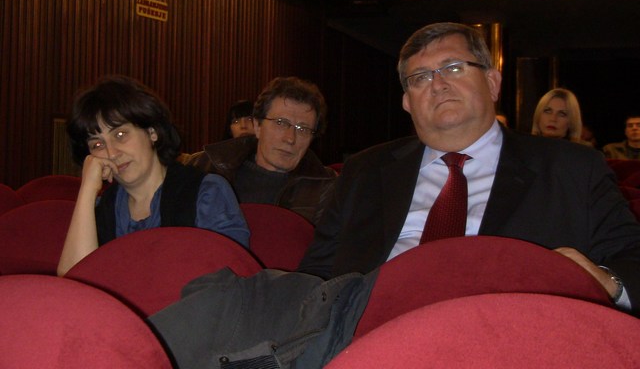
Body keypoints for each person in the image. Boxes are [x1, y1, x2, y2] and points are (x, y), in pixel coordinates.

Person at [298, 22, 640, 314]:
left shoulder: (572, 169)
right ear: (407, 102)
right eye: (420, 77)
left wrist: (606, 282)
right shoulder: (364, 171)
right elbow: (315, 276)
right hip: (369, 335)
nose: (438, 84)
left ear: (492, 83)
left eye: (454, 68)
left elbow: (633, 261)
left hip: (507, 339)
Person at [57, 75, 249, 276]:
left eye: (120, 135)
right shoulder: (104, 208)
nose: (111, 153)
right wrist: (87, 190)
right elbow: (72, 280)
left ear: (152, 132)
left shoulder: (206, 192)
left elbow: (229, 276)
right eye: (97, 144)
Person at [183, 77, 336, 224]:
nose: (290, 138)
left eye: (303, 129)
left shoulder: (326, 188)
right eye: (281, 123)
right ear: (257, 126)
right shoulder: (204, 166)